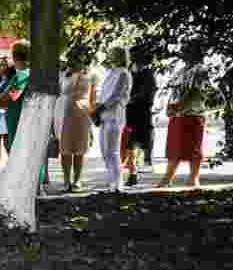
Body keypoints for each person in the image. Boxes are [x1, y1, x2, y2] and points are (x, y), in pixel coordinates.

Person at [158, 43, 213, 188]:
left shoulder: (200, 70)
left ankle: (193, 178)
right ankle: (168, 179)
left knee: (194, 148)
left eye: (189, 50)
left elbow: (192, 91)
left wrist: (178, 106)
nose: (184, 53)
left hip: (193, 113)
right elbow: (174, 91)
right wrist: (169, 107)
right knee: (175, 148)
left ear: (197, 53)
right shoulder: (182, 70)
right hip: (179, 114)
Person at [56, 48, 96, 192]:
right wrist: (74, 75)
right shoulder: (65, 74)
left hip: (82, 114)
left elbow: (93, 98)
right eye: (76, 58)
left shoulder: (90, 75)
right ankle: (66, 180)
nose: (79, 61)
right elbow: (64, 90)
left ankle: (77, 180)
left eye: (81, 58)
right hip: (66, 111)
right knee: (65, 149)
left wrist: (93, 117)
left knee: (80, 149)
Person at [95, 47, 132, 192]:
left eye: (111, 54)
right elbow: (104, 93)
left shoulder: (123, 73)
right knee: (105, 152)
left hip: (114, 116)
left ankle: (117, 185)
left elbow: (116, 95)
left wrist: (101, 107)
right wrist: (98, 108)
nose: (108, 57)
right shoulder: (111, 72)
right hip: (104, 116)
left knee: (112, 152)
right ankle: (112, 183)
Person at [123, 46, 157, 184]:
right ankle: (132, 171)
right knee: (129, 142)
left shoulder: (148, 73)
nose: (130, 58)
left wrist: (130, 99)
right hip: (129, 110)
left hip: (141, 111)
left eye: (133, 55)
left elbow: (148, 93)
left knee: (138, 141)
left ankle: (140, 167)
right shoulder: (129, 70)